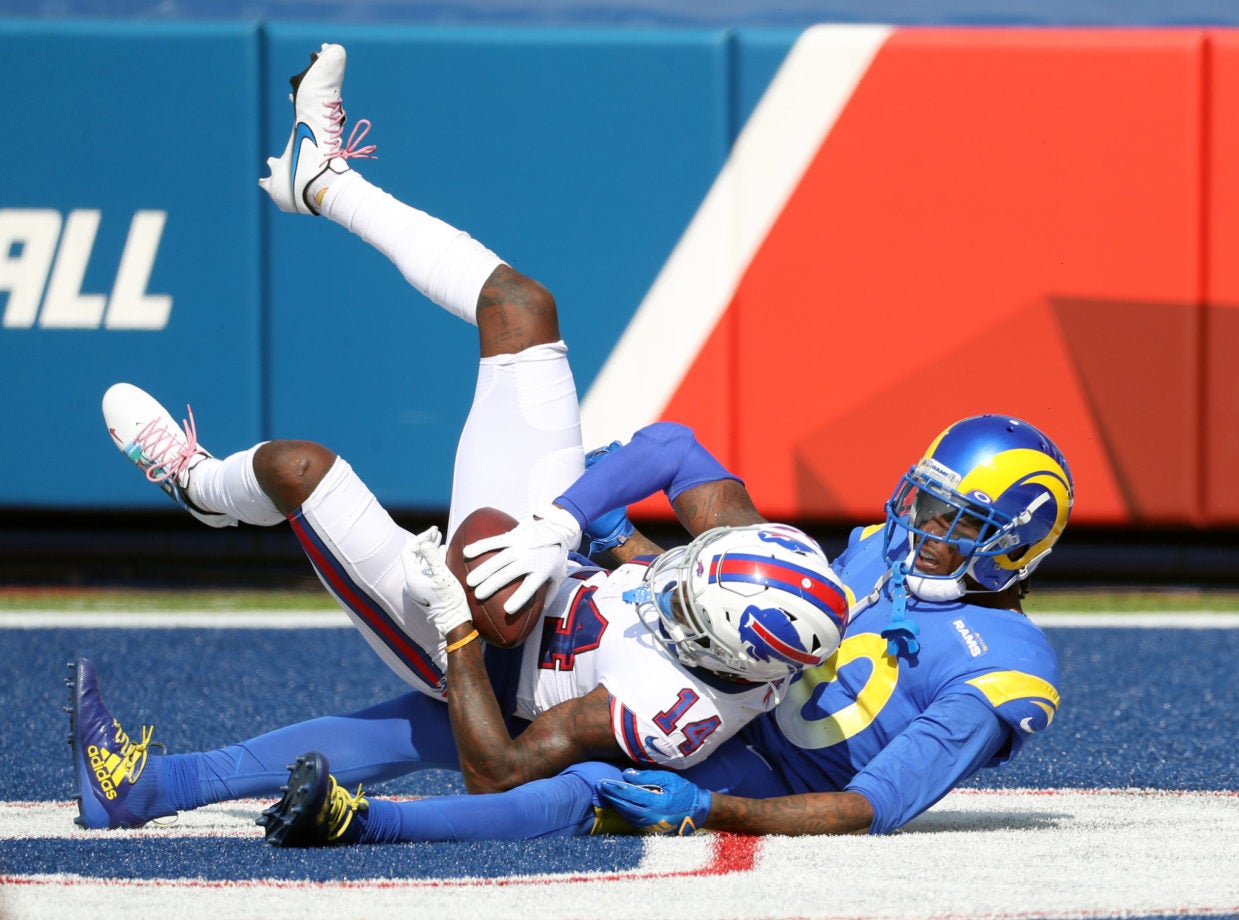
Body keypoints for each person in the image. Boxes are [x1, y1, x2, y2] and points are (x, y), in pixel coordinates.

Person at [71, 42, 849, 840]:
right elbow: (675, 446)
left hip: (491, 650)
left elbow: (496, 772)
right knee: (519, 305)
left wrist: (457, 633)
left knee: (296, 468)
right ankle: (324, 179)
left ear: (722, 659)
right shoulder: (770, 573)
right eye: (693, 572)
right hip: (547, 567)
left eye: (685, 602)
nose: (673, 585)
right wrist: (569, 524)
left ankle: (199, 488)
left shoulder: (670, 713)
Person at [261, 412, 1072, 844]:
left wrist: (712, 809)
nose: (918, 527)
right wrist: (622, 543)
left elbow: (870, 808)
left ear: (1012, 548)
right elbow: (758, 623)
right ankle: (169, 783)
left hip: (767, 778)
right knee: (450, 721)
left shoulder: (1002, 673)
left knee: (579, 793)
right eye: (923, 501)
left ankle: (364, 825)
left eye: (952, 522)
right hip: (723, 687)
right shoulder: (890, 545)